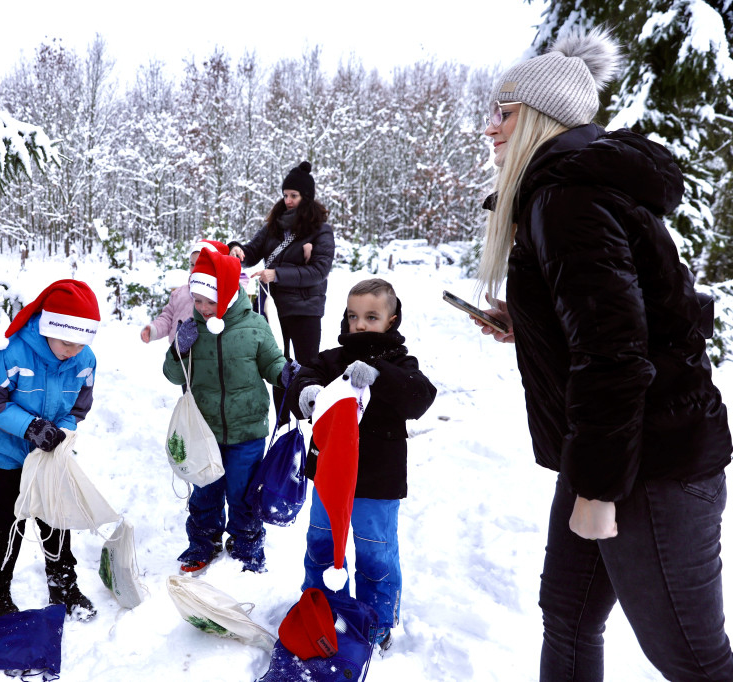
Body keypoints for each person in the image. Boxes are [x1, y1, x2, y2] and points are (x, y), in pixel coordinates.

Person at [474, 27, 733, 680]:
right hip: (605, 446)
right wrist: (532, 324)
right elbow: (631, 313)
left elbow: (616, 353)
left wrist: (595, 489)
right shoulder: (569, 191)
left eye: (503, 113)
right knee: (567, 617)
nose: (490, 127)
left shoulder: (567, 200)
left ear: (539, 118)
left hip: (650, 462)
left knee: (694, 660)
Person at [288, 278, 436, 651]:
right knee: (321, 543)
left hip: (377, 482)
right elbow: (305, 376)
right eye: (353, 316)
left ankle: (376, 620)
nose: (360, 324)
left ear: (391, 320)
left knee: (375, 552)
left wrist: (379, 375)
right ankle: (322, 607)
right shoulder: (332, 359)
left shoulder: (400, 363)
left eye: (371, 316)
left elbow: (420, 397)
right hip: (328, 478)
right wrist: (307, 392)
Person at [163, 248, 298, 574]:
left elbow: (271, 362)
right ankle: (202, 543)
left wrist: (285, 373)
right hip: (204, 430)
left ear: (226, 294)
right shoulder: (192, 330)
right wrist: (179, 349)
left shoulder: (254, 326)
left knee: (243, 492)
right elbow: (173, 375)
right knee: (205, 492)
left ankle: (247, 545)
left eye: (209, 301)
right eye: (197, 301)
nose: (202, 308)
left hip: (247, 429)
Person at [0, 279, 102, 621]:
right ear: (49, 327)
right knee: (10, 519)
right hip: (7, 450)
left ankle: (64, 585)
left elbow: (78, 408)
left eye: (80, 344)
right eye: (67, 342)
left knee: (55, 515)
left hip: (48, 451)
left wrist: (63, 430)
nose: (72, 351)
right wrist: (30, 427)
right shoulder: (11, 351)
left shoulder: (84, 359)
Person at [229, 161, 335, 424]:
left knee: (307, 366)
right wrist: (236, 249)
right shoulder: (274, 226)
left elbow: (319, 271)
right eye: (285, 195)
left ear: (306, 197)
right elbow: (251, 252)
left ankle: (311, 422)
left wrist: (277, 274)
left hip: (305, 310)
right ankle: (282, 424)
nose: (288, 200)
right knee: (277, 366)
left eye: (294, 195)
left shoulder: (321, 230)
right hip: (273, 309)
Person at [140, 240, 227, 346]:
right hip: (177, 351)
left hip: (204, 351)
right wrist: (154, 330)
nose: (195, 269)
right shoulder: (179, 293)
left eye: (200, 264)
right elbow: (167, 318)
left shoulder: (217, 295)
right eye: (192, 264)